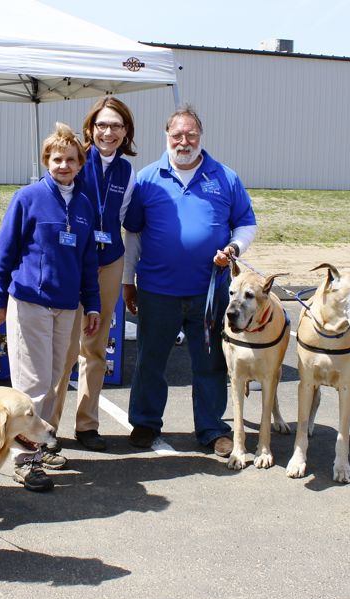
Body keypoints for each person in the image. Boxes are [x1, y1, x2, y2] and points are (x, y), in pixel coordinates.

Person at [122, 104, 257, 457]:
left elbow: (246, 223)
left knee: (210, 362)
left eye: (191, 134)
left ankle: (213, 429)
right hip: (156, 290)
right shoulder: (147, 178)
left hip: (209, 292)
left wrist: (234, 248)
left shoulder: (225, 177)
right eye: (177, 135)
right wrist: (126, 281)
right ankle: (145, 423)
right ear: (167, 137)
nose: (184, 141)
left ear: (201, 137)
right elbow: (133, 233)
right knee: (151, 360)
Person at [0, 123, 101, 492]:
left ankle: (40, 442)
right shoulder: (29, 197)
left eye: (71, 159)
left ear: (81, 163)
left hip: (67, 306)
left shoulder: (85, 206)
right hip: (29, 302)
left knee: (54, 379)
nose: (64, 165)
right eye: (57, 159)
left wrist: (93, 305)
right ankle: (25, 460)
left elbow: (88, 261)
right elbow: (4, 252)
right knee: (32, 384)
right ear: (46, 161)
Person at [50, 96, 137, 452]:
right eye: (102, 125)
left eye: (116, 126)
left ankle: (87, 425)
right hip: (73, 261)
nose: (108, 132)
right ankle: (47, 428)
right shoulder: (75, 160)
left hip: (110, 261)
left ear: (125, 131)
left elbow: (127, 220)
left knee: (96, 347)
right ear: (91, 128)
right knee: (64, 349)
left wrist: (129, 275)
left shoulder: (127, 171)